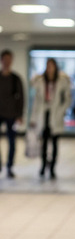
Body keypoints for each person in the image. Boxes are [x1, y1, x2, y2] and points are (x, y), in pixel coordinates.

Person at [30, 58, 71, 179]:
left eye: (51, 66)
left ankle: (52, 168)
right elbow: (36, 100)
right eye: (48, 66)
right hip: (44, 115)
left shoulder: (62, 81)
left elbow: (67, 99)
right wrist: (33, 118)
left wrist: (61, 110)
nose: (49, 68)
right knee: (43, 143)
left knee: (54, 143)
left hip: (56, 114)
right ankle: (43, 166)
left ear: (55, 67)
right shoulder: (41, 81)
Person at [0, 49, 24, 178]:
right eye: (5, 60)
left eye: (9, 60)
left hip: (12, 114)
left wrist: (20, 115)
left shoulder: (16, 79)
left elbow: (21, 98)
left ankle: (9, 166)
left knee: (12, 142)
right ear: (1, 61)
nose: (7, 62)